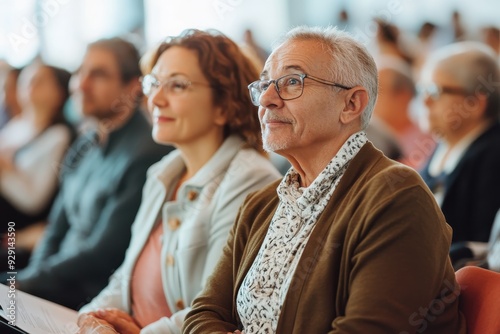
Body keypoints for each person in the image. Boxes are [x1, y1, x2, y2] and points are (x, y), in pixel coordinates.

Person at [183, 26, 466, 333]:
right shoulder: (260, 204)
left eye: (292, 82)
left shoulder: (396, 196)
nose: (266, 99)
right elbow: (203, 313)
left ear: (351, 105)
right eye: (264, 84)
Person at [76, 29, 281, 334]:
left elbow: (217, 310)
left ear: (223, 105)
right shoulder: (161, 174)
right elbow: (124, 279)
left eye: (177, 85)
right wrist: (92, 319)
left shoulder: (250, 180)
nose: (155, 99)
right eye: (154, 83)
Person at [0, 38, 172, 310]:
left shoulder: (147, 154)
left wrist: (24, 283)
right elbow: (56, 227)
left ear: (132, 86)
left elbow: (102, 254)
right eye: (81, 72)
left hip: (87, 297)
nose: (81, 84)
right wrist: (27, 279)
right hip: (51, 282)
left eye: (99, 75)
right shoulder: (86, 143)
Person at [418, 41, 500, 266]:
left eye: (435, 91)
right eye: (423, 90)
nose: (424, 101)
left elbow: (482, 247)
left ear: (474, 103)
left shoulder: (493, 156)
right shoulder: (444, 143)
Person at [0, 62, 74, 270]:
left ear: (59, 93)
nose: (30, 84)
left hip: (16, 229)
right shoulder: (16, 124)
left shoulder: (59, 136)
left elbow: (35, 201)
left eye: (40, 81)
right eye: (27, 78)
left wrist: (6, 171)